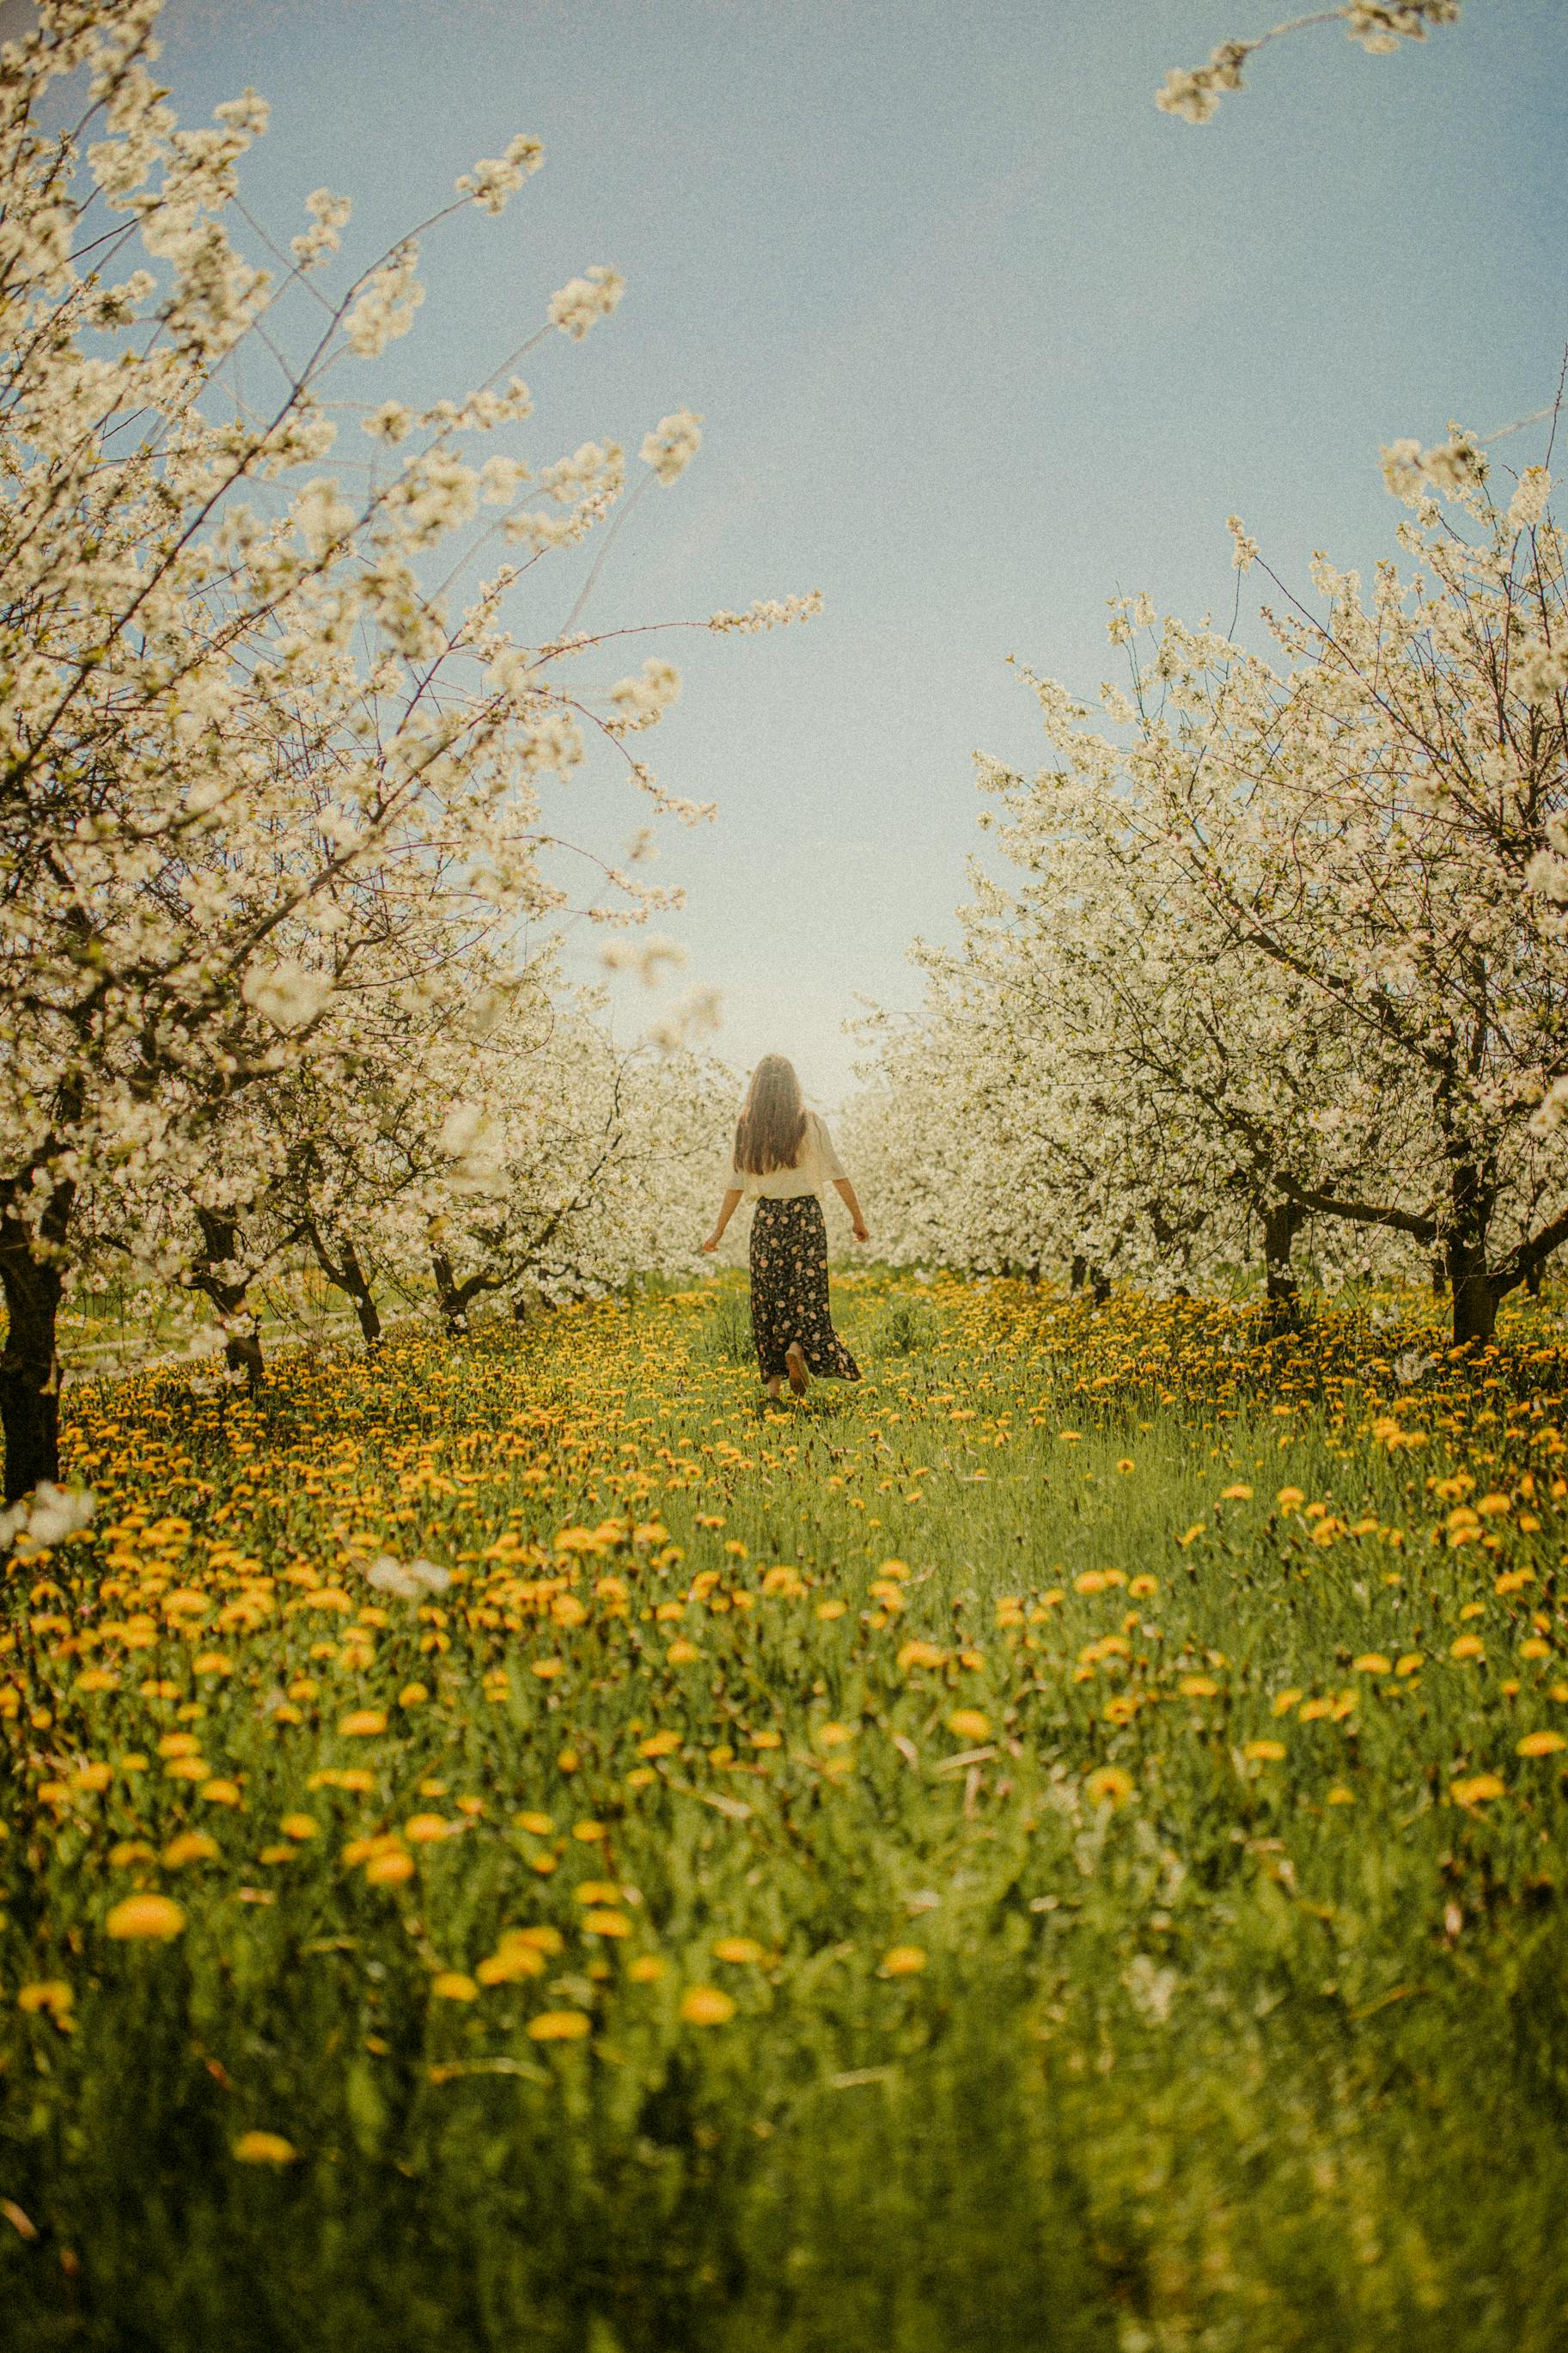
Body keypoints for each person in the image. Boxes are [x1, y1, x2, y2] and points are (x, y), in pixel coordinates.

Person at [702, 1055, 869, 1400]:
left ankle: (773, 1390)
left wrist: (717, 1231)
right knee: (808, 1296)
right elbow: (837, 1172)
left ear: (757, 1087)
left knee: (769, 1301)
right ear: (793, 1085)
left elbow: (735, 1183)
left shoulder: (747, 1126)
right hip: (805, 1219)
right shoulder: (809, 1122)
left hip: (767, 1222)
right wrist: (857, 1218)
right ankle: (797, 1347)